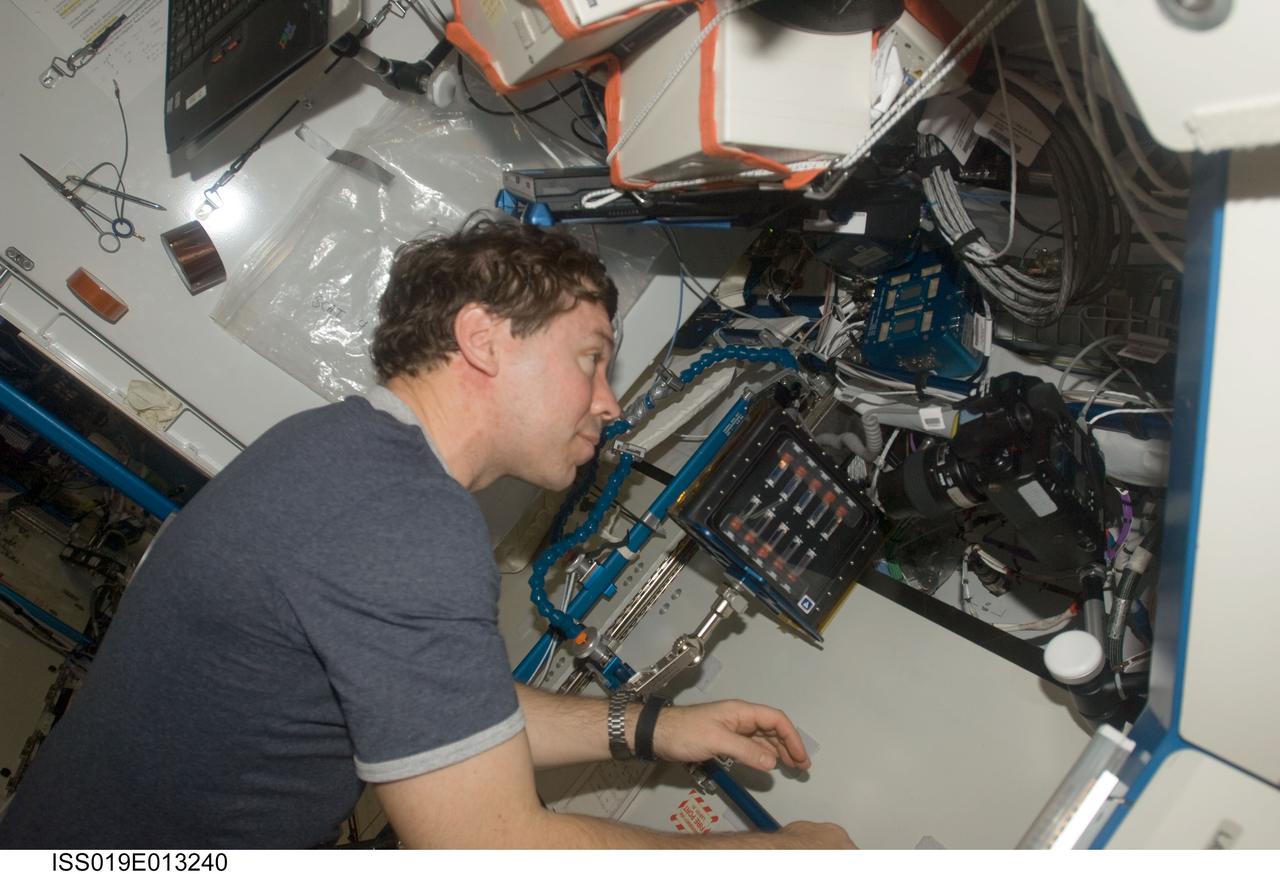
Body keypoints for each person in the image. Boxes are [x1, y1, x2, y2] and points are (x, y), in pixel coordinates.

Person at [0, 219, 855, 849]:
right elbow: (492, 846)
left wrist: (654, 727)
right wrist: (779, 856)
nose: (610, 403)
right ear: (482, 339)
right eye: (591, 358)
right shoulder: (405, 519)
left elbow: (445, 711)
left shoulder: (337, 450)